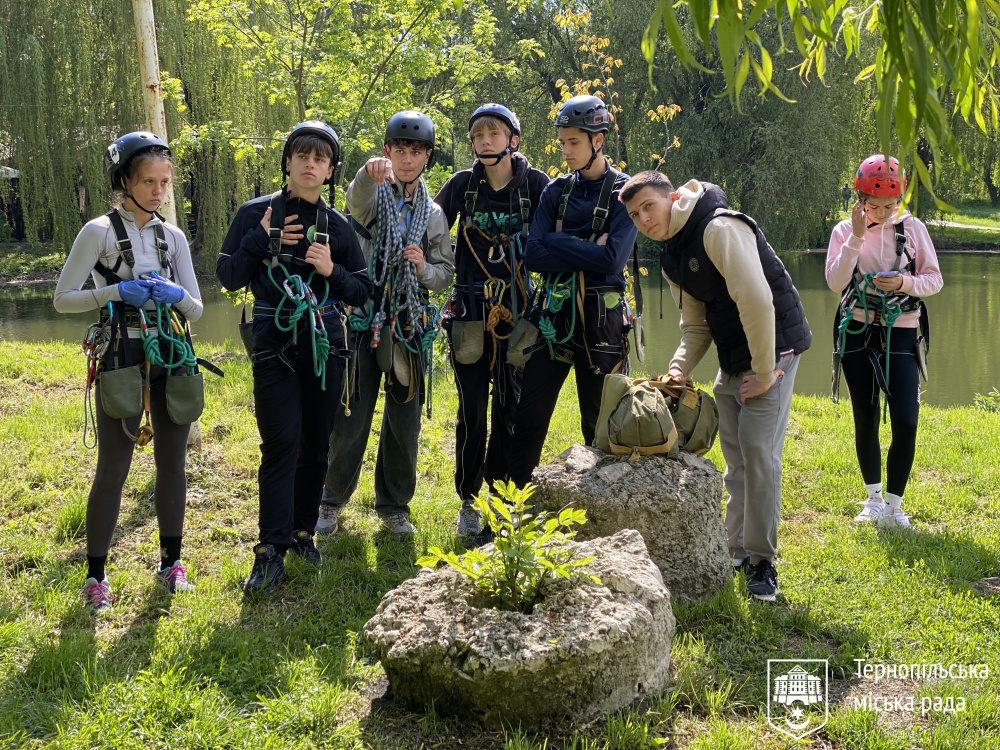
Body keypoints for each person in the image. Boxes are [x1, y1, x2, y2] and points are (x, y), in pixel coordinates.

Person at [620, 170, 812, 603]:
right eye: (634, 215)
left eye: (649, 206)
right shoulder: (671, 255)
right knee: (736, 457)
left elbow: (758, 301)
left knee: (759, 452)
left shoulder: (718, 228)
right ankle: (736, 554)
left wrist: (764, 374)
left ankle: (763, 562)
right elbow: (695, 325)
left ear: (671, 198)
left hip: (775, 349)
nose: (644, 219)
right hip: (734, 352)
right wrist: (678, 368)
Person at [217, 121, 372, 593]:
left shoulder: (340, 227)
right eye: (302, 156)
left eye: (320, 159)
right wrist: (260, 241)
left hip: (326, 345)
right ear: (287, 162)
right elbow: (227, 276)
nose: (310, 164)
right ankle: (270, 549)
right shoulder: (255, 214)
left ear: (330, 171)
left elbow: (365, 292)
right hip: (274, 343)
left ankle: (304, 533)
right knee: (280, 444)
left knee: (316, 445)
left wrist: (332, 270)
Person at [54, 131, 204, 613]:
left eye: (165, 183)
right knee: (114, 468)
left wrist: (174, 295)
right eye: (148, 182)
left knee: (172, 464)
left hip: (172, 356)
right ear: (123, 181)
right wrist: (116, 294)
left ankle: (171, 563)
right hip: (120, 355)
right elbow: (62, 299)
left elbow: (197, 308)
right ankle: (96, 576)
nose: (159, 192)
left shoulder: (172, 237)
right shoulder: (97, 232)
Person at [315, 111, 454, 536]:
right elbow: (354, 201)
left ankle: (394, 506)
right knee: (350, 416)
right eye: (399, 150)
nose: (407, 159)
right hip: (361, 318)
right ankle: (331, 501)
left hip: (408, 325)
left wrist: (423, 270)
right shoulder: (372, 193)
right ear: (387, 151)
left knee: (404, 421)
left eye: (416, 151)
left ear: (427, 157)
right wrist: (366, 171)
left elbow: (445, 272)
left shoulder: (432, 214)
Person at [505, 95, 637, 505]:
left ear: (598, 140)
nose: (565, 150)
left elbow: (614, 257)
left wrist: (559, 243)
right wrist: (582, 244)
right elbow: (534, 254)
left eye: (573, 142)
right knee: (528, 415)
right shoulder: (556, 191)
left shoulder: (625, 192)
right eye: (562, 141)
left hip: (603, 323)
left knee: (598, 421)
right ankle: (514, 514)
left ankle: (600, 514)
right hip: (553, 319)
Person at [433, 103, 550, 537]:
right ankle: (468, 498)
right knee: (473, 411)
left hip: (518, 315)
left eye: (494, 134)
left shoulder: (536, 186)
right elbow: (426, 224)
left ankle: (503, 500)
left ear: (513, 140)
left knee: (511, 407)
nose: (484, 141)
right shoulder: (462, 186)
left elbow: (564, 222)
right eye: (478, 135)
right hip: (469, 312)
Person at [826, 154, 942, 529]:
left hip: (902, 330)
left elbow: (934, 280)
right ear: (859, 200)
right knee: (867, 416)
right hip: (858, 330)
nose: (881, 212)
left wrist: (905, 283)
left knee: (906, 420)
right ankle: (873, 499)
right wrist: (858, 235)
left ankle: (895, 504)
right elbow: (835, 281)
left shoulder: (912, 229)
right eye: (873, 206)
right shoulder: (845, 231)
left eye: (890, 206)